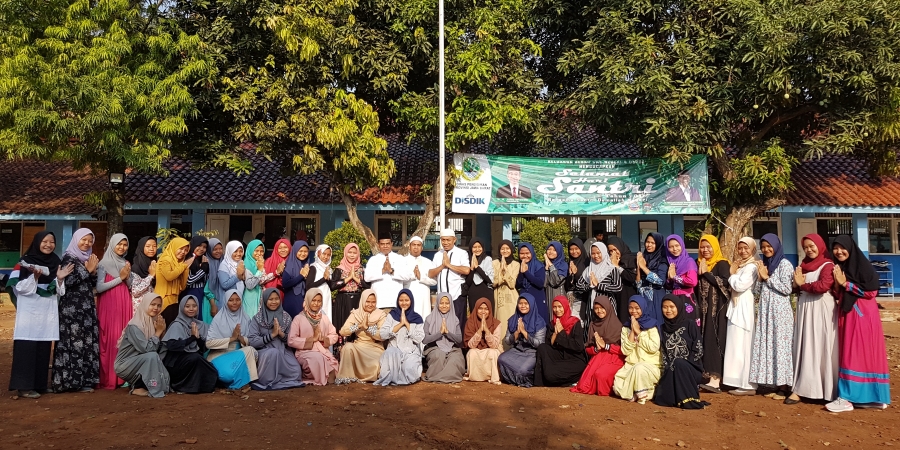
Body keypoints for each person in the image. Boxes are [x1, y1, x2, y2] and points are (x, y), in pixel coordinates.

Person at [826, 235, 891, 412]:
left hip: (862, 315)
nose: (839, 252)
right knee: (855, 352)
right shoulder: (841, 267)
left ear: (851, 248)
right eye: (835, 248)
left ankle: (848, 398)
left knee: (856, 353)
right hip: (849, 314)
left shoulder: (863, 266)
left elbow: (871, 291)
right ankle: (870, 398)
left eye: (842, 248)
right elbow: (839, 292)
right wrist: (839, 287)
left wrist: (845, 284)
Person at [7, 231, 72, 398]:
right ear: (37, 242)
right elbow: (18, 287)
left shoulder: (55, 262)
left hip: (47, 311)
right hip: (29, 311)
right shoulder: (25, 262)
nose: (48, 245)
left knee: (43, 347)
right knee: (27, 347)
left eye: (52, 242)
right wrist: (34, 278)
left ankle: (40, 384)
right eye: (45, 241)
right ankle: (24, 387)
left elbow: (58, 291)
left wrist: (59, 279)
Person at [785, 234, 837, 405]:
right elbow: (796, 287)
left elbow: (823, 286)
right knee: (805, 345)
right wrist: (796, 285)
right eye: (806, 247)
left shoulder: (828, 265)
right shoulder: (803, 265)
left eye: (812, 246)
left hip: (821, 309)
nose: (809, 249)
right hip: (805, 308)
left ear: (820, 245)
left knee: (821, 346)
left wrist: (801, 285)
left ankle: (825, 389)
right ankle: (802, 388)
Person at [54, 227, 101, 393]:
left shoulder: (86, 259)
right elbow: (68, 282)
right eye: (84, 240)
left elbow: (92, 284)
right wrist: (88, 270)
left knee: (86, 343)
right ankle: (70, 382)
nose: (87, 243)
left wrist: (93, 272)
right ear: (76, 240)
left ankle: (85, 380)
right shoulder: (69, 258)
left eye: (90, 241)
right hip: (71, 310)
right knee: (73, 343)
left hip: (86, 308)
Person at [749, 233, 795, 397]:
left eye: (769, 246)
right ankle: (776, 383)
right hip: (766, 311)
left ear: (776, 246)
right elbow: (757, 291)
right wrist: (761, 279)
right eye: (763, 247)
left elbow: (786, 289)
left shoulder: (784, 264)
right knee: (770, 346)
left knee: (781, 347)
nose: (766, 249)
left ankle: (785, 386)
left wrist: (767, 277)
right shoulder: (766, 264)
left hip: (780, 312)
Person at [95, 234, 138, 390]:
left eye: (125, 245)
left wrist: (126, 277)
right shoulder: (103, 264)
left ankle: (122, 377)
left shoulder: (126, 263)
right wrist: (120, 278)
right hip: (108, 303)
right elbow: (99, 288)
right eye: (119, 244)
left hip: (123, 301)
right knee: (109, 338)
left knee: (122, 337)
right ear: (112, 244)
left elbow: (130, 284)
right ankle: (108, 378)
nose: (122, 247)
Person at [653, 294, 706, 409]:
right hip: (672, 369)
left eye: (672, 307)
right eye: (665, 307)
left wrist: (684, 364)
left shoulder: (689, 324)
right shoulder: (662, 328)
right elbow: (664, 353)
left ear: (678, 307)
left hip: (692, 369)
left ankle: (688, 400)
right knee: (661, 398)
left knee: (679, 363)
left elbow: (698, 349)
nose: (668, 310)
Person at [247, 288, 305, 390]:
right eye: (270, 299)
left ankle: (278, 380)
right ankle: (267, 379)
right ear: (265, 300)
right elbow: (253, 342)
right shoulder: (257, 318)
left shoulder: (286, 317)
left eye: (276, 299)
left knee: (296, 371)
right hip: (265, 351)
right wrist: (272, 335)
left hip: (283, 350)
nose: (274, 302)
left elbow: (291, 340)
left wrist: (281, 334)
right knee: (273, 353)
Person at [114, 292, 170, 397]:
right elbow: (147, 349)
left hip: (139, 361)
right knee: (152, 356)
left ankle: (141, 385)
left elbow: (158, 349)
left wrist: (162, 333)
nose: (156, 308)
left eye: (158, 305)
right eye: (152, 304)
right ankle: (138, 388)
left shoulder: (154, 322)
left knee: (157, 356)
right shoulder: (135, 326)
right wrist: (158, 333)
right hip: (124, 365)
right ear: (145, 304)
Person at [723, 237, 759, 395]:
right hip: (737, 304)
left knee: (744, 343)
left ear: (753, 249)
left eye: (746, 248)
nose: (743, 251)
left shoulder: (752, 266)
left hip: (744, 305)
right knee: (735, 343)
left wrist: (731, 274)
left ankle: (748, 384)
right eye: (740, 248)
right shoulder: (742, 265)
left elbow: (739, 285)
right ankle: (736, 380)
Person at [695, 235, 731, 393]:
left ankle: (716, 379)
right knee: (704, 340)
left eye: (708, 247)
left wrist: (706, 274)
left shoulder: (721, 263)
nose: (705, 250)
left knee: (715, 340)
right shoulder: (699, 263)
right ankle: (707, 376)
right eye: (702, 247)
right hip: (703, 311)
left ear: (715, 247)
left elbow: (726, 283)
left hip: (717, 311)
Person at [161, 295, 218, 393]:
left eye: (194, 306)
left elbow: (203, 349)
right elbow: (172, 346)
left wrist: (198, 338)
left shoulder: (200, 325)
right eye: (187, 306)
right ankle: (178, 386)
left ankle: (198, 388)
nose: (191, 309)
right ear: (182, 307)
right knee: (195, 358)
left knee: (211, 369)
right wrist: (192, 338)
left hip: (191, 360)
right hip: (175, 363)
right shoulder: (177, 324)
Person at [571, 296, 624, 396]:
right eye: (596, 308)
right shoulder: (593, 325)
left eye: (602, 307)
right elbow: (587, 349)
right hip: (598, 357)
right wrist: (596, 349)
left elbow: (624, 351)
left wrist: (607, 346)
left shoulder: (618, 326)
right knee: (583, 385)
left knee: (601, 376)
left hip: (615, 358)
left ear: (608, 307)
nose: (599, 311)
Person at [613, 295, 662, 404]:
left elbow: (653, 347)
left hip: (651, 365)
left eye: (637, 308)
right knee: (617, 387)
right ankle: (647, 391)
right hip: (631, 365)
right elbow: (625, 351)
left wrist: (639, 333)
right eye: (631, 308)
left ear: (643, 308)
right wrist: (632, 331)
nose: (633, 311)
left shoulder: (651, 325)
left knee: (639, 369)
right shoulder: (626, 327)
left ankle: (642, 394)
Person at [205, 289, 259, 390]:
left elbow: (250, 340)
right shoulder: (218, 319)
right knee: (227, 375)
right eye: (231, 300)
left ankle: (241, 383)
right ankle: (240, 381)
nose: (235, 303)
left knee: (252, 351)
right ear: (226, 301)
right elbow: (209, 343)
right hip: (219, 356)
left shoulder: (245, 318)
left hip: (238, 354)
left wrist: (240, 338)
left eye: (237, 299)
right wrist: (232, 338)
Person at [289, 288, 340, 386]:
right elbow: (291, 340)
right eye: (313, 300)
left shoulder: (324, 318)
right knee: (317, 358)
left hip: (322, 351)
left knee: (331, 362)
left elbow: (334, 335)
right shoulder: (298, 318)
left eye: (319, 301)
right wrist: (312, 339)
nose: (316, 304)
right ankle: (319, 379)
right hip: (304, 353)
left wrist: (322, 339)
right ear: (308, 300)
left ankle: (324, 377)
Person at [336, 289, 387, 384]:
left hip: (375, 347)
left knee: (376, 365)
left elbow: (382, 335)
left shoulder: (381, 314)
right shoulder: (356, 314)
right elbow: (343, 331)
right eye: (367, 301)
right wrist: (358, 326)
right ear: (363, 300)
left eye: (373, 302)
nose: (370, 304)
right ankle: (347, 377)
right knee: (347, 347)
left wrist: (367, 328)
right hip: (359, 346)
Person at [375, 289, 425, 386]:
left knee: (409, 368)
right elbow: (383, 334)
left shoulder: (417, 318)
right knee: (390, 358)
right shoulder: (392, 315)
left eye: (407, 300)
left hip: (410, 351)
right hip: (394, 349)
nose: (404, 303)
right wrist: (400, 324)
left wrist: (406, 323)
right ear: (397, 301)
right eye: (401, 300)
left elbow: (419, 338)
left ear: (411, 301)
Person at [534, 296, 587, 387]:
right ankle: (542, 381)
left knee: (550, 374)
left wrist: (562, 332)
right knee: (542, 348)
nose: (557, 310)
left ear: (565, 306)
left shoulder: (575, 322)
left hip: (574, 358)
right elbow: (548, 345)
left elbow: (578, 346)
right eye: (554, 307)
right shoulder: (552, 324)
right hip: (559, 356)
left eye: (560, 306)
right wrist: (555, 333)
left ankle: (568, 378)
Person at [497, 293, 547, 387]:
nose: (523, 306)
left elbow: (540, 344)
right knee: (501, 359)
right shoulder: (513, 319)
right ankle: (514, 380)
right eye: (520, 303)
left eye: (526, 303)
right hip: (517, 350)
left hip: (532, 352)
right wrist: (516, 333)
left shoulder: (539, 322)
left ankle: (527, 381)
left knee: (523, 370)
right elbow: (507, 341)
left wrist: (524, 333)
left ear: (531, 304)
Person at [574, 242, 623, 325]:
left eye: (598, 253)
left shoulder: (611, 268)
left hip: (608, 305)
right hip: (592, 305)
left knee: (608, 328)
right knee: (592, 328)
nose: (596, 256)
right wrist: (590, 286)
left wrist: (598, 285)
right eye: (593, 253)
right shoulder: (589, 269)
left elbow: (618, 287)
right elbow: (578, 286)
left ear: (603, 252)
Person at [429, 228, 470, 325]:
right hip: (442, 298)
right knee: (442, 323)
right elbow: (431, 273)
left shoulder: (461, 253)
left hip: (457, 296)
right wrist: (442, 266)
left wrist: (449, 265)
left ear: (454, 240)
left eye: (448, 240)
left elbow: (466, 270)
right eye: (443, 240)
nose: (445, 242)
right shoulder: (438, 255)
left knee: (458, 324)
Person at [424, 292, 466, 383]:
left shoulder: (455, 319)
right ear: (437, 303)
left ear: (450, 304)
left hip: (453, 348)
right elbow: (425, 339)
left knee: (455, 360)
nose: (444, 306)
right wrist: (440, 333)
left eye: (447, 303)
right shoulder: (429, 319)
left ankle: (438, 377)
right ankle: (446, 377)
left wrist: (447, 333)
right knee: (439, 356)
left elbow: (459, 339)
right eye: (441, 303)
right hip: (434, 347)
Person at [331, 243, 370, 340]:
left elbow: (367, 285)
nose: (352, 255)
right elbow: (333, 285)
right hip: (342, 301)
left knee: (356, 324)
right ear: (345, 253)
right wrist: (348, 278)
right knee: (343, 323)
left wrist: (356, 279)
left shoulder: (361, 269)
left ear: (358, 254)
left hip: (357, 301)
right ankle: (341, 348)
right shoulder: (339, 269)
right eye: (349, 252)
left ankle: (354, 345)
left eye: (354, 253)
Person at [366, 231, 412, 311]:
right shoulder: (373, 260)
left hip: (395, 302)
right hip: (378, 302)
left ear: (392, 244)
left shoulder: (400, 259)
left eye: (387, 243)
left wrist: (391, 271)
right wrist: (382, 271)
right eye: (382, 244)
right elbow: (367, 277)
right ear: (378, 245)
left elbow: (407, 276)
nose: (385, 246)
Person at [464, 297, 503, 384]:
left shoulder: (496, 323)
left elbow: (494, 345)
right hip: (477, 350)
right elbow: (470, 345)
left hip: (490, 349)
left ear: (490, 310)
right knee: (472, 352)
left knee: (494, 352)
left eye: (486, 309)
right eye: (480, 308)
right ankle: (475, 377)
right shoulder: (470, 322)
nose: (483, 311)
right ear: (476, 309)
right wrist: (479, 332)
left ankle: (493, 377)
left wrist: (487, 331)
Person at [665, 235, 699, 329]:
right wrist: (669, 278)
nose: (674, 249)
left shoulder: (689, 262)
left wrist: (675, 277)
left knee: (688, 327)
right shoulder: (671, 262)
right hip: (673, 298)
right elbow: (669, 285)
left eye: (677, 245)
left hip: (686, 298)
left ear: (682, 245)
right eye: (671, 247)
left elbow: (693, 281)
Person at [157, 237, 192, 325]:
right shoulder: (165, 260)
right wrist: (183, 266)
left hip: (174, 299)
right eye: (180, 248)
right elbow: (169, 276)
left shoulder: (179, 263)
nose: (183, 252)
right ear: (174, 247)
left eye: (186, 250)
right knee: (163, 323)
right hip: (163, 297)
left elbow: (182, 286)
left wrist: (186, 269)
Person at [491, 240, 520, 346]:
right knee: (500, 323)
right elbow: (494, 282)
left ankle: (512, 348)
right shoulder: (494, 263)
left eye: (507, 248)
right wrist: (500, 271)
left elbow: (512, 283)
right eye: (502, 249)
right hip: (498, 297)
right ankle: (500, 349)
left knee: (511, 322)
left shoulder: (516, 264)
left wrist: (505, 270)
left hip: (511, 297)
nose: (505, 251)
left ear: (511, 250)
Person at [606, 236, 639, 325]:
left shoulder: (631, 259)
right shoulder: (609, 262)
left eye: (615, 249)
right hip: (617, 296)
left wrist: (617, 266)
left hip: (628, 294)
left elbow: (631, 278)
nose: (614, 253)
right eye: (610, 251)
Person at [463, 237, 494, 332]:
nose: (477, 249)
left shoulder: (487, 259)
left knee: (488, 316)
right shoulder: (466, 260)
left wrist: (477, 267)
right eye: (474, 247)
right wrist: (472, 270)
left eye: (479, 247)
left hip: (486, 292)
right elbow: (467, 283)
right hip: (473, 293)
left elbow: (489, 280)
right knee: (475, 317)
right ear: (470, 248)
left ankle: (489, 341)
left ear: (483, 247)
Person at [181, 236, 214, 324]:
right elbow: (189, 280)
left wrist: (206, 269)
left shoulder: (203, 260)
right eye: (199, 246)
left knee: (200, 317)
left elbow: (205, 279)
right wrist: (203, 269)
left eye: (204, 247)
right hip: (191, 292)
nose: (202, 249)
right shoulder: (188, 259)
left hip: (201, 292)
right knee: (192, 317)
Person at [637, 232, 667, 327]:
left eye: (653, 243)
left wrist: (644, 268)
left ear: (658, 244)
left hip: (656, 298)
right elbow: (638, 283)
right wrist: (639, 267)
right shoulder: (643, 258)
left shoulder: (662, 261)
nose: (649, 245)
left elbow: (660, 281)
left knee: (655, 326)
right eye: (647, 242)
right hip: (643, 297)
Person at [403, 236, 437, 319]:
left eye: (418, 245)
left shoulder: (428, 262)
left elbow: (434, 281)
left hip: (423, 298)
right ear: (409, 247)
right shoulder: (403, 261)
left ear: (422, 248)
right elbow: (399, 278)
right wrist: (412, 276)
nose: (416, 247)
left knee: (423, 320)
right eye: (414, 245)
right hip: (407, 296)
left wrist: (421, 277)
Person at [242, 240, 276, 318]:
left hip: (258, 295)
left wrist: (275, 273)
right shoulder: (247, 264)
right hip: (250, 297)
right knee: (251, 320)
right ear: (250, 251)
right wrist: (260, 270)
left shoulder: (258, 263)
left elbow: (261, 279)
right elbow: (249, 285)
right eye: (256, 251)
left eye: (261, 251)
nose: (259, 253)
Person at [516, 242, 547, 320]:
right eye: (522, 253)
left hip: (537, 297)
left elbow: (540, 283)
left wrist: (526, 272)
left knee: (538, 321)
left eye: (527, 253)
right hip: (525, 298)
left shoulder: (538, 265)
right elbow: (518, 284)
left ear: (532, 253)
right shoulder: (518, 265)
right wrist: (521, 272)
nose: (525, 256)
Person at [282, 240, 311, 317]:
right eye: (300, 251)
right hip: (291, 299)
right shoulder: (289, 265)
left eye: (305, 251)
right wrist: (301, 276)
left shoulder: (306, 265)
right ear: (295, 251)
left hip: (303, 298)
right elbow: (285, 284)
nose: (303, 253)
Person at [129, 236, 157, 313]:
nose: (151, 249)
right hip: (140, 307)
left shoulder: (154, 263)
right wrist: (150, 276)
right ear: (141, 247)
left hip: (152, 306)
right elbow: (135, 291)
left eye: (154, 246)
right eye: (148, 246)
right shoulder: (136, 267)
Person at [564, 238, 590, 323]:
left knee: (580, 322)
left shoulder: (587, 263)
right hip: (570, 299)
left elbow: (587, 282)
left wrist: (576, 273)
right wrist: (570, 275)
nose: (574, 251)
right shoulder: (569, 263)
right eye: (571, 249)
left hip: (583, 299)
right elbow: (567, 285)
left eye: (576, 249)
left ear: (581, 248)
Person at [310, 244, 338, 320]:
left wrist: (327, 278)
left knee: (326, 320)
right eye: (324, 254)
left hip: (326, 298)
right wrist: (324, 278)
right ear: (318, 253)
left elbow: (331, 287)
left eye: (328, 255)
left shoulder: (328, 269)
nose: (326, 257)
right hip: (315, 299)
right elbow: (308, 286)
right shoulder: (313, 267)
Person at [202, 238, 224, 324]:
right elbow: (207, 289)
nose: (218, 251)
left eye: (220, 248)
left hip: (222, 299)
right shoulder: (207, 264)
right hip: (209, 301)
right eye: (215, 249)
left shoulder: (224, 262)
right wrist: (213, 304)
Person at [543, 241, 567, 312]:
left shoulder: (563, 265)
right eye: (549, 249)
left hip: (559, 295)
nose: (551, 252)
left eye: (554, 250)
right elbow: (544, 284)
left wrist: (551, 265)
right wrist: (546, 270)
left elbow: (556, 281)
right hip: (547, 297)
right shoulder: (543, 264)